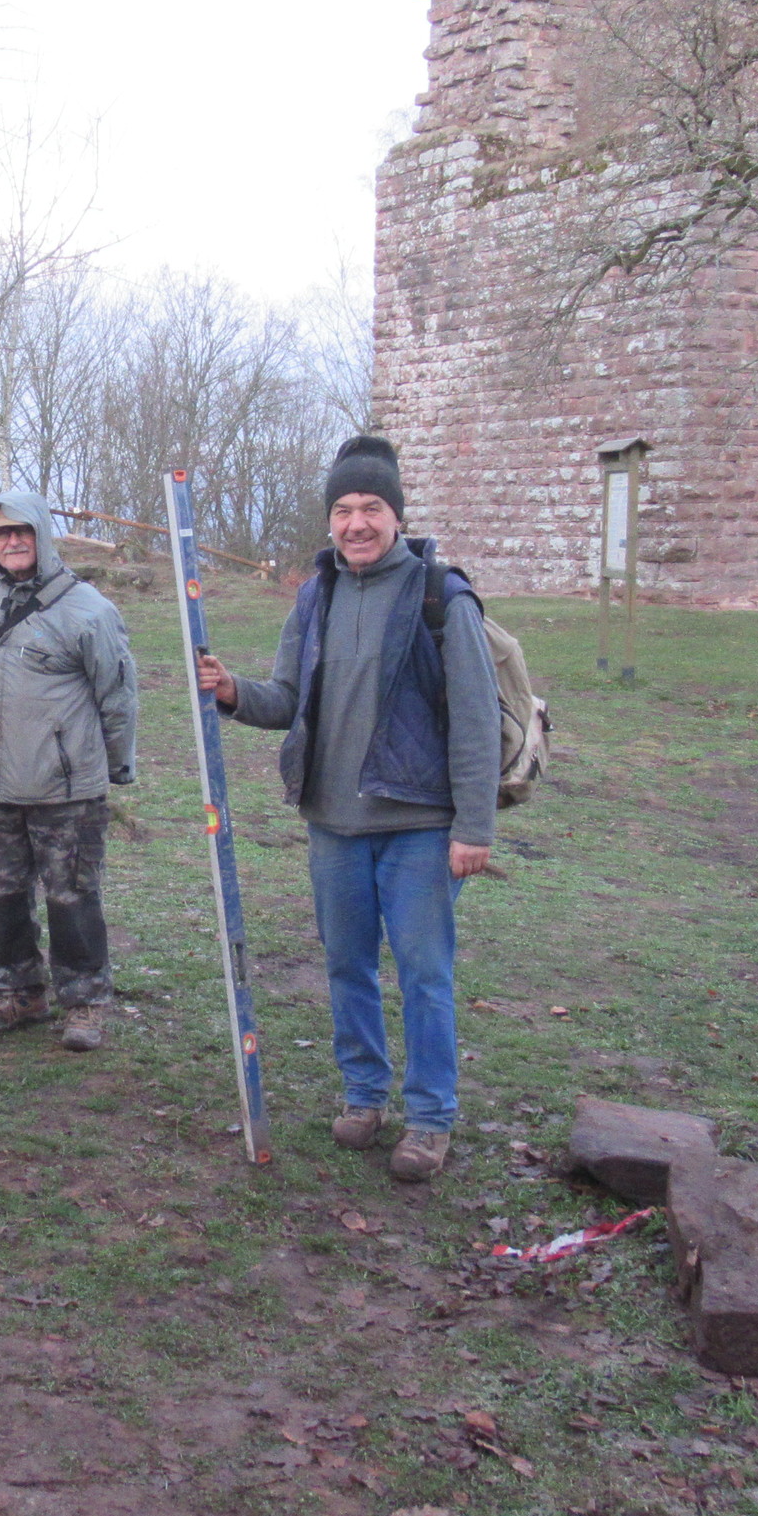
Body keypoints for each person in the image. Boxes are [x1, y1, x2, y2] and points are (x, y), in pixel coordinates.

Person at [195, 434, 499, 1180]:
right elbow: (287, 699)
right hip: (333, 824)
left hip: (419, 826)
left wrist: (474, 827)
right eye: (342, 509)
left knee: (425, 975)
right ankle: (364, 1096)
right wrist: (233, 692)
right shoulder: (316, 595)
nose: (356, 523)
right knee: (347, 967)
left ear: (396, 515)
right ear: (329, 519)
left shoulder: (441, 597)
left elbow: (476, 718)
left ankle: (429, 1118)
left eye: (370, 507)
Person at [0, 489, 138, 1052]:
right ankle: (18, 993)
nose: (11, 541)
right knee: (2, 894)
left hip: (65, 788)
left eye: (22, 531)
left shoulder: (89, 610)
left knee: (72, 895)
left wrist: (114, 767)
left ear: (43, 535)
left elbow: (117, 697)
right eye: (0, 534)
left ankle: (85, 1003)